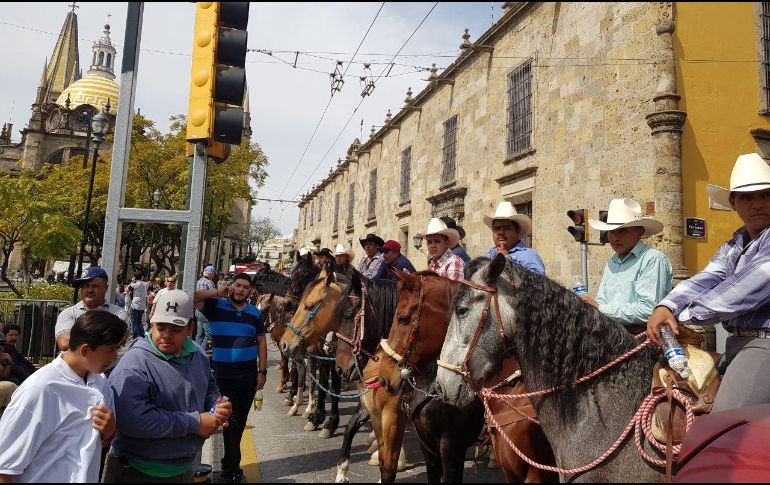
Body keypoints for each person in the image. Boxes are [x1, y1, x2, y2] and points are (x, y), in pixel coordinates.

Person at [648, 152, 770, 412]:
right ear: (734, 203)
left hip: (765, 344)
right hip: (737, 343)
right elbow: (707, 277)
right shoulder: (734, 245)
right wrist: (666, 307)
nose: (759, 203)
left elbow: (744, 290)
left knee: (721, 426)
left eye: (766, 195)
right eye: (748, 197)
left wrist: (683, 316)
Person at [103, 289, 231, 483]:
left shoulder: (197, 353)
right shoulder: (134, 365)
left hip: (184, 469)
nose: (167, 335)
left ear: (191, 329)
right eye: (161, 327)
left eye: (176, 329)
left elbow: (209, 386)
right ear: (151, 324)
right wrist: (195, 423)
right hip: (138, 471)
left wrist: (217, 407)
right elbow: (133, 420)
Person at [0, 311, 126, 483]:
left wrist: (109, 431)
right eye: (111, 350)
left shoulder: (100, 382)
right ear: (85, 349)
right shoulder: (40, 389)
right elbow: (4, 466)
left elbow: (89, 445)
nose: (113, 358)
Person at [195, 274, 267, 483]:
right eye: (238, 285)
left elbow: (262, 343)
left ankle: (231, 470)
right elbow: (193, 298)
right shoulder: (216, 306)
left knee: (238, 422)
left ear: (250, 291)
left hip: (248, 378)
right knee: (230, 422)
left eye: (245, 287)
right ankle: (231, 470)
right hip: (223, 378)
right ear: (231, 286)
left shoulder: (254, 313)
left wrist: (262, 371)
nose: (241, 290)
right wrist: (217, 292)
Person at [577, 198, 672, 333]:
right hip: (612, 332)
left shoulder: (653, 259)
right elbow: (602, 300)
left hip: (642, 334)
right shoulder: (611, 263)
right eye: (612, 231)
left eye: (623, 231)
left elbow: (648, 310)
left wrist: (599, 308)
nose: (615, 237)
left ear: (639, 233)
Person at [55, 266, 129, 351]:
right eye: (85, 286)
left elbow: (116, 342)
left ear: (106, 288)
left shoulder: (118, 313)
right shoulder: (68, 313)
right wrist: (103, 338)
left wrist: (78, 338)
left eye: (94, 286)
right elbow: (64, 343)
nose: (89, 290)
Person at [482, 201, 546, 275]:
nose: (501, 232)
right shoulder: (488, 255)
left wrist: (508, 261)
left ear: (517, 230)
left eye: (507, 228)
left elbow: (539, 284)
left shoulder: (529, 256)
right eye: (497, 228)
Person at [129, 275, 149, 339]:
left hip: (135, 305)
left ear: (135, 278)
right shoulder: (146, 284)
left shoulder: (135, 284)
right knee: (139, 321)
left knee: (134, 322)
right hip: (142, 306)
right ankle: (142, 335)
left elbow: (127, 288)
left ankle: (136, 336)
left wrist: (132, 281)